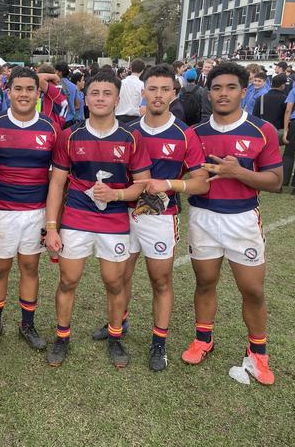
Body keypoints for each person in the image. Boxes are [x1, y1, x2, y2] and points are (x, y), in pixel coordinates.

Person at [89, 65, 209, 371]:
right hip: (123, 214)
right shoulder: (130, 131)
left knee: (160, 280)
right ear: (143, 92)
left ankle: (159, 342)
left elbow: (201, 182)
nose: (157, 95)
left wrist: (169, 184)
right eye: (152, 89)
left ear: (174, 93)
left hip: (159, 217)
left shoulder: (185, 134)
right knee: (118, 277)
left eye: (164, 89)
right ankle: (119, 323)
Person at [183, 62, 282, 385]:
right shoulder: (195, 134)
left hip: (242, 220)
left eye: (230, 88)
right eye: (216, 88)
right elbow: (186, 175)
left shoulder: (261, 130)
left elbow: (275, 181)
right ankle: (203, 338)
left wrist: (238, 172)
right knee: (205, 281)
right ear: (209, 93)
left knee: (252, 289)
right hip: (203, 217)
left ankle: (258, 353)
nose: (223, 94)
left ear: (243, 91)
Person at [43, 71, 152, 367]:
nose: (101, 98)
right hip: (76, 218)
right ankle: (62, 336)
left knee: (115, 282)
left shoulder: (131, 138)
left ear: (117, 99)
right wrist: (52, 227)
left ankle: (116, 337)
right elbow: (56, 184)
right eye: (95, 93)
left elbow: (142, 185)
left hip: (115, 221)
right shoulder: (70, 136)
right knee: (68, 280)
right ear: (86, 98)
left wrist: (116, 195)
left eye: (107, 93)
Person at [0, 67, 59, 352]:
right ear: (8, 91)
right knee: (0, 268)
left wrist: (53, 222)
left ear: (38, 93)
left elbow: (56, 179)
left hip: (35, 212)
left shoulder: (51, 128)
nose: (24, 94)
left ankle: (27, 324)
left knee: (30, 267)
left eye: (30, 89)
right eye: (18, 89)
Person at [252, 74, 288, 142]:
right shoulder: (285, 99)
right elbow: (286, 116)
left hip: (262, 130)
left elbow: (255, 116)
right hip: (277, 131)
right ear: (282, 85)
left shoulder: (261, 98)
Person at [115, 59, 145, 124]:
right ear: (142, 71)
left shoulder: (121, 83)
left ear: (131, 69)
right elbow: (141, 103)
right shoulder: (142, 85)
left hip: (119, 116)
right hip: (135, 118)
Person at [54, 61, 78, 127]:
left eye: (55, 71)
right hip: (70, 120)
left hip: (57, 120)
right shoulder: (74, 86)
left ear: (60, 72)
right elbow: (77, 105)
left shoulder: (54, 86)